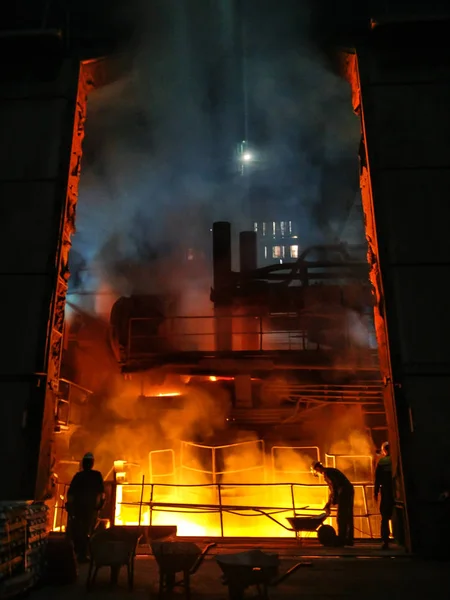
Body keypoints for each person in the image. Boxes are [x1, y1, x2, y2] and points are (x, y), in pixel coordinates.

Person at [66, 452, 105, 562]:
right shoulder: (96, 475)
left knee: (80, 530)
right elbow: (101, 493)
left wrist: (70, 506)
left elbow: (71, 494)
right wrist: (99, 505)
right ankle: (85, 553)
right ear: (92, 463)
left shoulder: (78, 476)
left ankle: (81, 553)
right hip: (90, 508)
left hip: (79, 508)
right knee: (88, 531)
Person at [312, 461, 354, 546]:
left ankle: (342, 540)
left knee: (341, 517)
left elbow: (334, 486)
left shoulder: (327, 473)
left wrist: (333, 500)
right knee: (348, 516)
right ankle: (349, 539)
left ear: (317, 469)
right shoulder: (330, 471)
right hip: (349, 490)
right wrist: (329, 503)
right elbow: (332, 490)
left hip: (343, 492)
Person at [374, 441, 394, 550]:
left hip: (386, 492)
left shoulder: (382, 462)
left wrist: (375, 492)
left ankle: (385, 541)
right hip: (398, 491)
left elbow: (377, 478)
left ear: (384, 450)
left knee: (385, 517)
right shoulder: (396, 459)